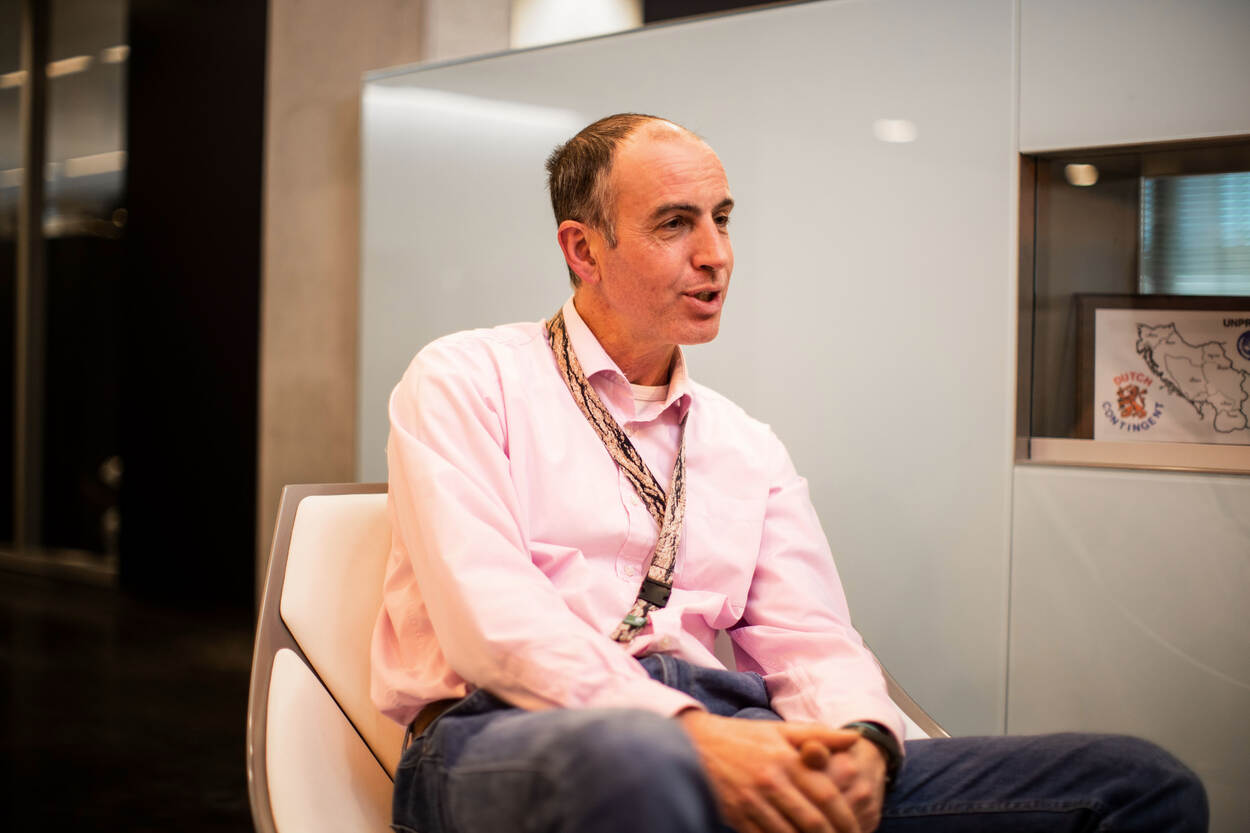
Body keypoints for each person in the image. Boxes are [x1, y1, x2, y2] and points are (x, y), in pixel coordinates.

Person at [371, 113, 1207, 833]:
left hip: (739, 729)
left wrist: (861, 743)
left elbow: (812, 639)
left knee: (1137, 782)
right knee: (647, 763)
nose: (716, 255)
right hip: (508, 733)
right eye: (675, 224)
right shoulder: (468, 380)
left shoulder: (745, 443)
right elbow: (495, 626)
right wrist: (687, 733)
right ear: (583, 248)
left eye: (722, 219)